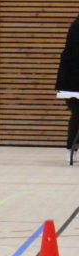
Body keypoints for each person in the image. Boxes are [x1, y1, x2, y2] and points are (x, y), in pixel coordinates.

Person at [54, 13, 79, 163]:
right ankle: (72, 149)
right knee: (77, 113)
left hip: (70, 82)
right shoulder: (77, 27)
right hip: (72, 82)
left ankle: (72, 149)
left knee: (77, 114)